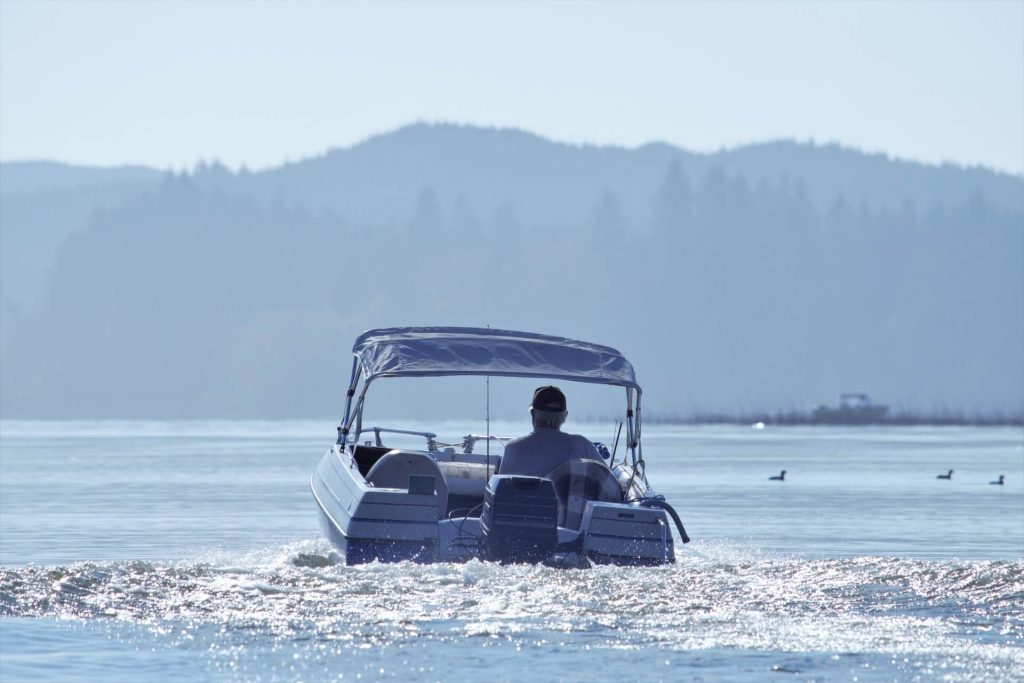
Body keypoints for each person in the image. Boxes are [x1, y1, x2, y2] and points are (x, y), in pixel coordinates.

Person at [498, 385, 602, 477]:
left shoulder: (513, 448)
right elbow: (608, 480)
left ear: (533, 414)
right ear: (565, 416)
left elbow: (500, 490)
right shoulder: (582, 444)